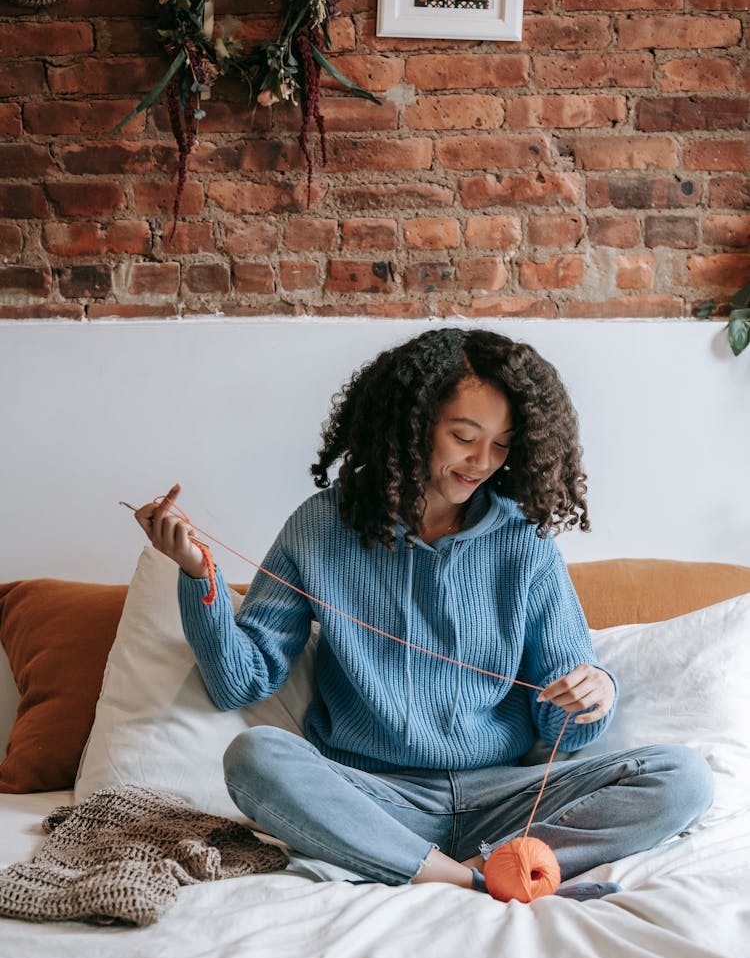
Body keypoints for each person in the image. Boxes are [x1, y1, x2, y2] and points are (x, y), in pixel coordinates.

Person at [135, 327, 713, 898]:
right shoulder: (320, 526)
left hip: (505, 799)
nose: (483, 461)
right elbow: (242, 680)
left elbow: (560, 728)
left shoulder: (524, 542)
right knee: (255, 757)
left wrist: (593, 695)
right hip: (376, 800)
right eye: (464, 435)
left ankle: (460, 866)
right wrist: (196, 574)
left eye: (503, 443)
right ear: (411, 426)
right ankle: (473, 878)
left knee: (683, 778)